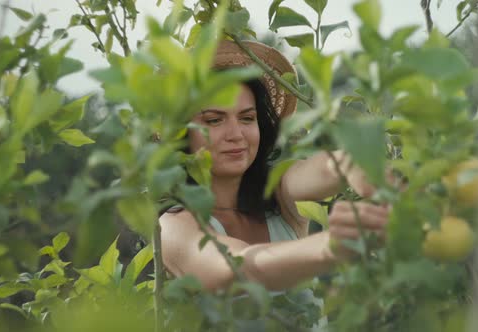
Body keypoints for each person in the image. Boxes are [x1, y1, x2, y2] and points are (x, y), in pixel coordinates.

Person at [159, 40, 390, 293]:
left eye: (247, 118)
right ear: (181, 132)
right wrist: (331, 245)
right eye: (214, 120)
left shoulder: (277, 195)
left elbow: (322, 169)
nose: (236, 134)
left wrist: (356, 165)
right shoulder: (173, 227)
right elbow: (240, 267)